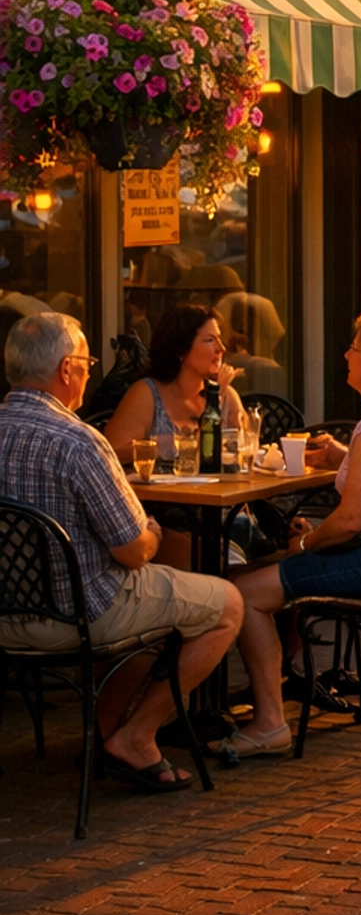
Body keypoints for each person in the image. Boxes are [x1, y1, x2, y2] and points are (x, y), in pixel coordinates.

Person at [0, 312, 242, 791]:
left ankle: (105, 733)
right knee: (227, 606)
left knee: (158, 611)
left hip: (5, 617)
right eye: (88, 363)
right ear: (67, 370)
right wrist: (151, 531)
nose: (91, 373)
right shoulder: (77, 441)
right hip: (78, 614)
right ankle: (136, 736)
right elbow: (132, 552)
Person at [226, 309, 361, 755]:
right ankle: (279, 682)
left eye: (356, 348)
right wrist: (345, 457)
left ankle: (269, 721)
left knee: (242, 592)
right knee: (269, 570)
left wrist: (305, 543)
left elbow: (351, 521)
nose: (347, 354)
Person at [104, 306, 251, 569]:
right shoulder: (147, 394)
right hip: (168, 519)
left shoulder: (224, 395)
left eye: (219, 339)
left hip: (227, 517)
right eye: (209, 340)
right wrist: (169, 444)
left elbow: (240, 453)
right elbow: (110, 451)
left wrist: (223, 401)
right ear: (181, 349)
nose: (221, 349)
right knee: (219, 568)